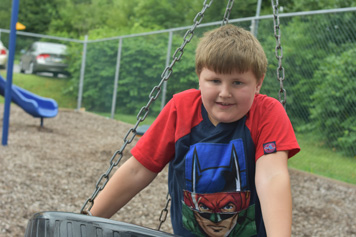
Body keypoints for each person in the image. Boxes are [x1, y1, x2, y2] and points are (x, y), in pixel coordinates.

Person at [91, 24, 300, 237]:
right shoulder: (181, 109)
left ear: (258, 83)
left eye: (238, 82)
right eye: (215, 81)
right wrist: (89, 220)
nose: (225, 93)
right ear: (199, 77)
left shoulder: (267, 112)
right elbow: (138, 169)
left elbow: (272, 175)